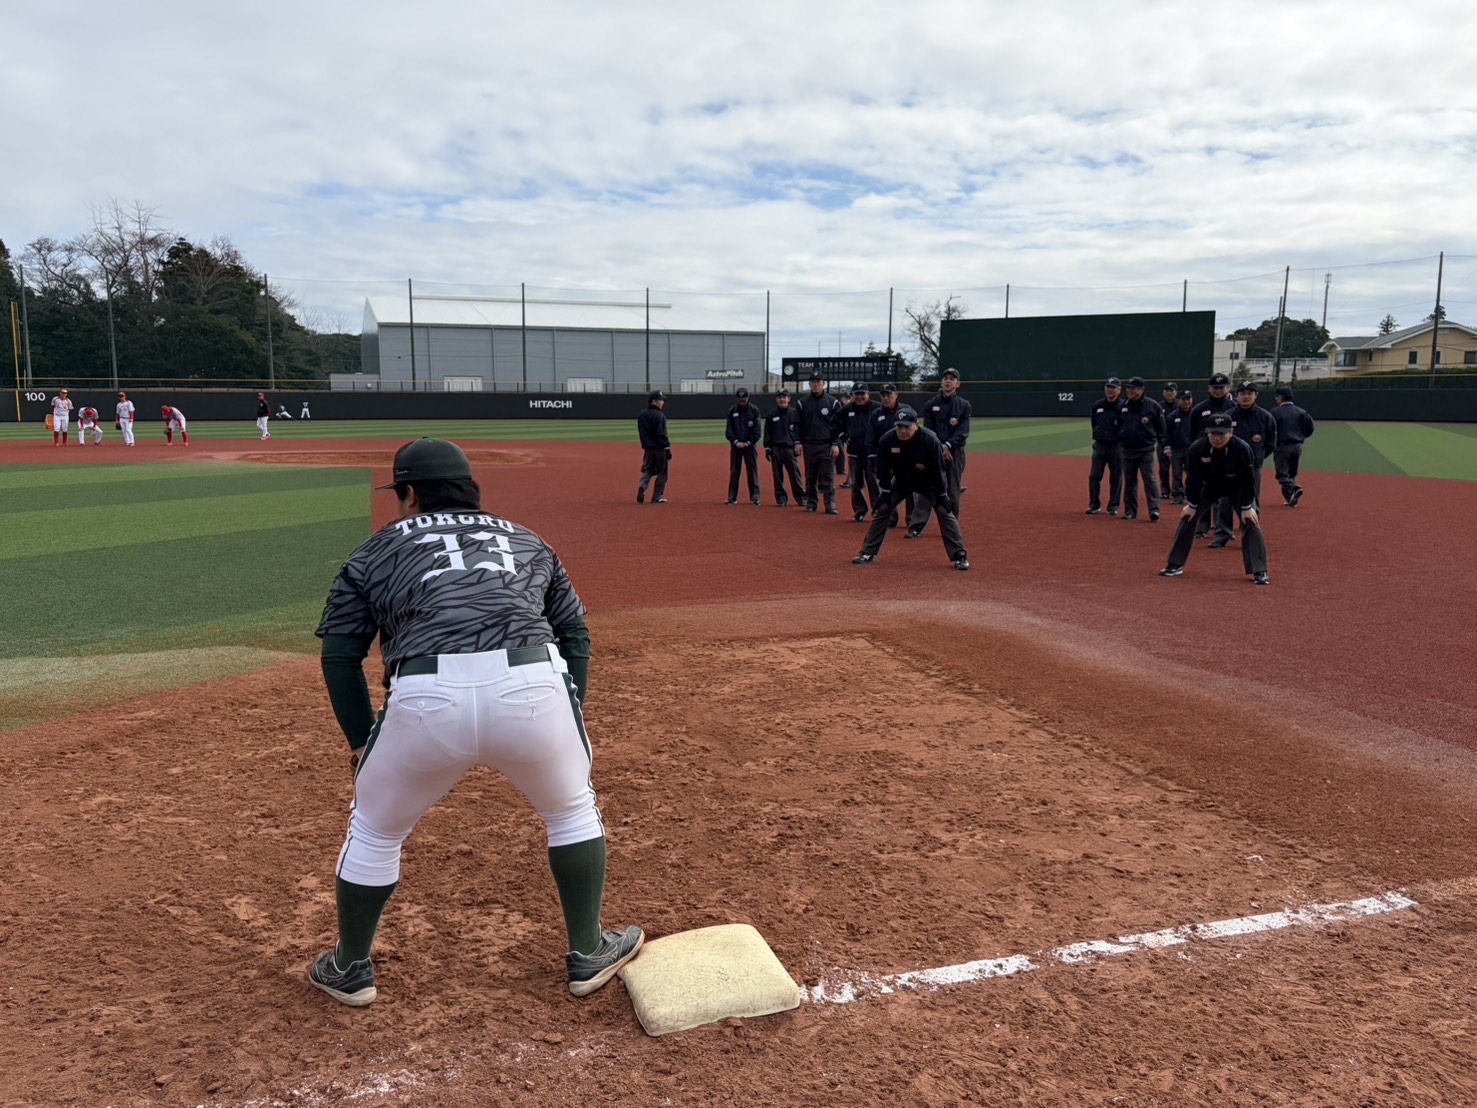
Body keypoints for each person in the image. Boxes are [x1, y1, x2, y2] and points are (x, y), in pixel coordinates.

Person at [309, 437, 643, 1007]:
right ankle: (588, 950)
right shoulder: (527, 539)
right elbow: (575, 635)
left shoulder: (374, 550)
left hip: (425, 696)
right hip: (533, 688)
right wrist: (569, 718)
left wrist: (362, 740)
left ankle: (350, 968)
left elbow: (340, 655)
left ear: (409, 493)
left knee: (376, 830)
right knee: (570, 810)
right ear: (472, 491)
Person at [852, 407, 970, 571]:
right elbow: (882, 469)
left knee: (945, 512)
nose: (902, 431)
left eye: (907, 426)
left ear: (917, 425)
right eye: (899, 426)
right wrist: (885, 491)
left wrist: (942, 494)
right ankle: (867, 552)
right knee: (883, 510)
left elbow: (939, 470)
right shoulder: (887, 440)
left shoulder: (930, 440)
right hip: (902, 481)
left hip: (929, 482)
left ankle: (959, 555)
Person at [1159, 413, 1269, 586]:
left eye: (1222, 434)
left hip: (1237, 488)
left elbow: (1248, 480)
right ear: (1207, 433)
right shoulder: (1197, 449)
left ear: (1231, 433)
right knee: (1188, 517)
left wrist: (1247, 506)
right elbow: (1193, 480)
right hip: (1210, 486)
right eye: (1213, 433)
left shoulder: (1242, 449)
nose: (1217, 438)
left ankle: (1259, 570)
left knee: (1251, 521)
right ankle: (1175, 564)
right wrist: (1192, 504)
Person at [908, 367, 971, 538]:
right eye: (945, 378)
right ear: (941, 382)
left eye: (952, 379)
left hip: (954, 452)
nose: (948, 381)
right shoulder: (931, 404)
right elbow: (928, 430)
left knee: (952, 490)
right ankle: (916, 525)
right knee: (925, 488)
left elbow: (963, 432)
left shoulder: (964, 405)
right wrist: (940, 447)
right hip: (933, 450)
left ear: (957, 384)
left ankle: (951, 526)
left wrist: (948, 445)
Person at [1189, 373, 1238, 541]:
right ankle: (1202, 527)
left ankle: (1222, 528)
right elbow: (1192, 432)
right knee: (1204, 491)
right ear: (1209, 389)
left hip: (1227, 456)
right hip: (1205, 456)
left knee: (1225, 494)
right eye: (1215, 388)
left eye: (1221, 387)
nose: (1218, 390)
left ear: (1228, 388)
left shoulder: (1234, 407)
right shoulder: (1199, 409)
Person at [1114, 376, 1165, 521]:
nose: (1130, 391)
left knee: (1149, 480)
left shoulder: (1152, 406)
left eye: (1133, 388)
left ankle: (1154, 510)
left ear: (1142, 390)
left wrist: (1162, 443)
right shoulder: (1122, 406)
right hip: (1127, 450)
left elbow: (1161, 428)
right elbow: (1117, 426)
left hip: (1145, 449)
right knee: (1130, 482)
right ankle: (1130, 511)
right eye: (1128, 388)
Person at [796, 372, 840, 514]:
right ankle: (811, 502)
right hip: (809, 445)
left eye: (818, 382)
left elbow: (838, 425)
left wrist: (835, 443)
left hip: (826, 445)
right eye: (813, 382)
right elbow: (798, 425)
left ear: (824, 384)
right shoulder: (802, 403)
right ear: (809, 384)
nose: (816, 384)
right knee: (811, 476)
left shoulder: (833, 402)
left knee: (828, 476)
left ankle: (830, 503)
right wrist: (798, 442)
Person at [870, 384, 911, 529]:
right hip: (886, 457)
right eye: (883, 395)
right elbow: (871, 436)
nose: (886, 398)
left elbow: (915, 431)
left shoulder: (906, 410)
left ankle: (911, 519)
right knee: (886, 487)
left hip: (905, 457)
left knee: (910, 488)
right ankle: (891, 518)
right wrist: (872, 456)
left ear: (896, 395)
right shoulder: (876, 414)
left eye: (889, 395)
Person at [838, 383, 881, 521]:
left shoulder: (877, 408)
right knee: (856, 483)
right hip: (854, 452)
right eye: (857, 394)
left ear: (868, 394)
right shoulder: (847, 409)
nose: (860, 397)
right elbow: (834, 424)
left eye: (862, 394)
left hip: (872, 453)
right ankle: (860, 510)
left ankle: (878, 509)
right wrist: (842, 435)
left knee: (874, 482)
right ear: (853, 395)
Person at [1271, 387, 1315, 507]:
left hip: (1282, 446)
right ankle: (1290, 498)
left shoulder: (1275, 412)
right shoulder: (1301, 411)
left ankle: (1294, 488)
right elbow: (1310, 428)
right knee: (1292, 472)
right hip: (1297, 445)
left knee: (1282, 474)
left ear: (1280, 397)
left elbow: (1270, 429)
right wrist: (1302, 437)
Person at [1086, 377, 1124, 515]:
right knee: (1094, 476)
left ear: (1119, 390)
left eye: (1113, 387)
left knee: (1116, 477)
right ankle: (1094, 504)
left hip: (1116, 446)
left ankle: (1113, 506)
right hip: (1100, 445)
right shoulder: (1098, 405)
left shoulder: (1123, 406)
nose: (1110, 390)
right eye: (1108, 387)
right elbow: (1094, 423)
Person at [762, 389, 805, 507]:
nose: (782, 399)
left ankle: (801, 497)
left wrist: (800, 444)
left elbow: (801, 430)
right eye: (779, 397)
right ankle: (781, 498)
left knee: (795, 475)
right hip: (776, 448)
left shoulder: (795, 413)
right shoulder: (772, 414)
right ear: (776, 399)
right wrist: (767, 448)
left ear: (789, 399)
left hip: (790, 448)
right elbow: (768, 432)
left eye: (784, 397)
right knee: (777, 476)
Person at [724, 387, 762, 506]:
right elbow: (729, 431)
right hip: (736, 446)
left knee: (752, 471)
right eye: (740, 400)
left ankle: (755, 497)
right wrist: (736, 442)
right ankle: (732, 497)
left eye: (744, 400)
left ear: (748, 398)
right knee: (735, 471)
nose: (742, 402)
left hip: (750, 446)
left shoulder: (754, 410)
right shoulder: (732, 411)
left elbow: (757, 431)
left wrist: (749, 442)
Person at [635, 389, 670, 504]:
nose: (662, 402)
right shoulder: (659, 416)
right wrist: (667, 448)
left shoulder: (642, 415)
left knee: (648, 470)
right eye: (660, 400)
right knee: (662, 472)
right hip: (659, 449)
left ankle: (642, 486)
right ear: (654, 401)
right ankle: (657, 497)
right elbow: (662, 434)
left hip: (648, 449)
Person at [1162, 391, 1195, 503]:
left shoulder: (1195, 414)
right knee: (1177, 474)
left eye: (1188, 399)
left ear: (1191, 400)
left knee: (1192, 473)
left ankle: (1191, 494)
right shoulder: (1172, 416)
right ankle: (1178, 495)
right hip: (1177, 449)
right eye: (1183, 399)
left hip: (1192, 448)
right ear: (1179, 401)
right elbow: (1167, 433)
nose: (1186, 402)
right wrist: (1167, 446)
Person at [1157, 382, 1179, 494]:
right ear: (1163, 393)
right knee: (1163, 468)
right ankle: (1165, 491)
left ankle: (1178, 490)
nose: (1169, 393)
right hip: (1162, 441)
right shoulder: (1159, 406)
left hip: (1177, 442)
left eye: (1171, 391)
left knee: (1178, 469)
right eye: (1167, 391)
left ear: (1176, 393)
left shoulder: (1180, 405)